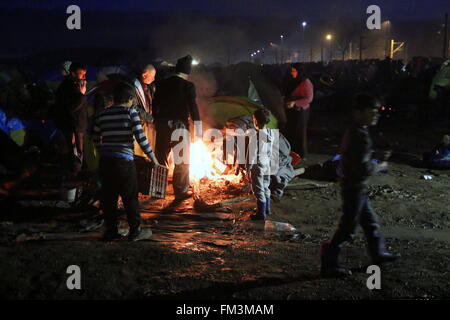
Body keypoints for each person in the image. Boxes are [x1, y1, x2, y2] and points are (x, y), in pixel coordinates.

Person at [320, 93, 400, 277]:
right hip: (354, 187)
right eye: (372, 111)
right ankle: (329, 263)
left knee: (371, 223)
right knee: (347, 228)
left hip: (355, 187)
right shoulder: (359, 136)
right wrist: (379, 163)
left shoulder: (355, 131)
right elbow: (362, 168)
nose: (376, 115)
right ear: (358, 112)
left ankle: (378, 253)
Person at [92, 83, 159, 241]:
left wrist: (102, 150)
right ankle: (135, 231)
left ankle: (111, 231)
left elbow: (95, 136)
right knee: (130, 197)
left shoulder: (102, 114)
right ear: (130, 99)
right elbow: (140, 138)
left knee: (109, 198)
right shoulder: (131, 112)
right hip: (124, 162)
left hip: (106, 162)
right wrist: (153, 158)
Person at [153, 55, 200, 200]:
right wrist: (198, 128)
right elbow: (193, 108)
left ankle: (157, 190)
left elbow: (155, 104)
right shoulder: (188, 86)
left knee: (161, 158)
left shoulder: (162, 83)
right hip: (179, 126)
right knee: (182, 160)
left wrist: (156, 120)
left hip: (162, 124)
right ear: (187, 72)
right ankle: (180, 191)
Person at [54, 62, 88, 173]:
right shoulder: (66, 87)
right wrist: (82, 95)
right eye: (81, 74)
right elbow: (70, 108)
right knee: (74, 155)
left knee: (79, 153)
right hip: (72, 127)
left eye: (84, 74)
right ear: (73, 73)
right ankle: (72, 180)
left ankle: (75, 178)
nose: (84, 77)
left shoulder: (76, 85)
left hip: (78, 126)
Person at [249, 108, 275, 220]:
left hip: (258, 165)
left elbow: (251, 155)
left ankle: (260, 214)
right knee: (265, 186)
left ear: (256, 121)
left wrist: (247, 168)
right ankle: (267, 209)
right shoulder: (271, 133)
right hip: (267, 164)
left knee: (258, 189)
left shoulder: (255, 137)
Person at [284, 63, 314, 159]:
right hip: (294, 112)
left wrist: (294, 103)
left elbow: (308, 99)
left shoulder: (306, 82)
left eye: (294, 71)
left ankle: (301, 154)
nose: (292, 73)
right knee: (293, 132)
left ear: (299, 71)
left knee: (300, 133)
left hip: (302, 112)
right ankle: (293, 153)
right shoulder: (296, 81)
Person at [133, 64, 157, 155]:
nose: (154, 79)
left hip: (148, 126)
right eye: (152, 76)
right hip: (139, 125)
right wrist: (148, 117)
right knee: (139, 153)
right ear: (144, 75)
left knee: (148, 152)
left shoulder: (150, 87)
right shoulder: (134, 87)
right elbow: (134, 107)